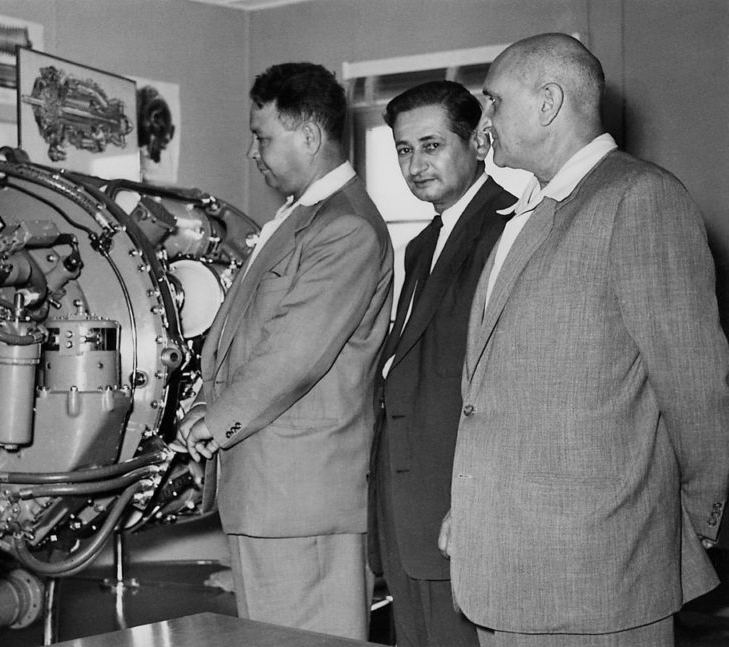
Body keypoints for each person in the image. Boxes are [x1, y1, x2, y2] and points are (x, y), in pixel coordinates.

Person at [440, 32, 729, 646]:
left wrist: (685, 522)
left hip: (598, 576)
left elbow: (697, 389)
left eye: (493, 100)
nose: (483, 119)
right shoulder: (530, 208)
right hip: (504, 569)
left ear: (548, 102)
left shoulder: (639, 198)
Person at [172, 61, 393, 640]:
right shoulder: (301, 219)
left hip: (303, 499)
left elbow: (292, 356)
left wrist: (209, 421)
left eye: (263, 137)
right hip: (270, 495)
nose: (253, 152)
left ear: (310, 136)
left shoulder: (345, 228)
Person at [368, 80, 515, 647]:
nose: (414, 164)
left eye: (430, 145)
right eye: (403, 150)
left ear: (479, 142)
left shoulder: (508, 227)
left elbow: (503, 387)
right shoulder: (422, 243)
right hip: (407, 507)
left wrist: (475, 504)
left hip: (458, 506)